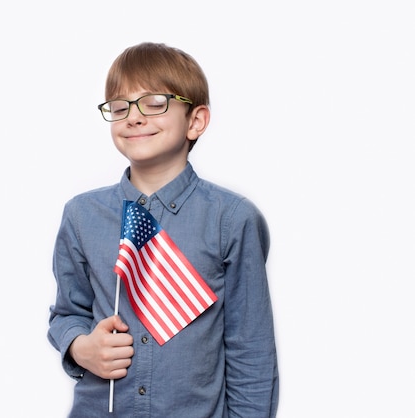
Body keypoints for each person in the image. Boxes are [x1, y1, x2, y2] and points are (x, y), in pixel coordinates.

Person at [47, 42, 279, 418]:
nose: (133, 117)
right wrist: (79, 346)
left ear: (196, 121)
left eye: (155, 103)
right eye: (120, 107)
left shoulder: (232, 219)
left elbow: (251, 351)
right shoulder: (81, 215)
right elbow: (66, 313)